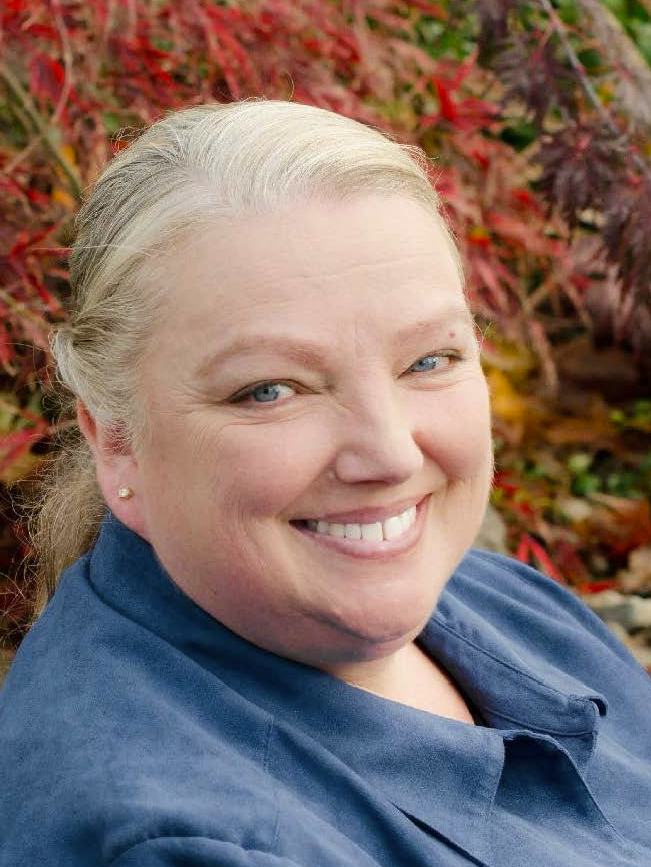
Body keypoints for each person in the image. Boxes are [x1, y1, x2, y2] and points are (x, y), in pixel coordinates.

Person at [0, 99, 650, 867]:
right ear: (117, 441)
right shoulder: (176, 839)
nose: (389, 453)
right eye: (270, 389)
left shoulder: (512, 606)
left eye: (428, 360)